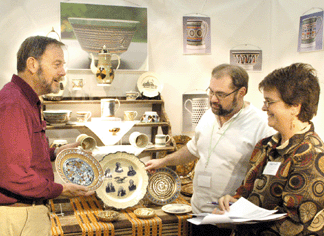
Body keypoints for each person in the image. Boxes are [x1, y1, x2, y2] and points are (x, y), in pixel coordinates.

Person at [145, 64, 274, 235]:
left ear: (241, 92)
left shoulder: (261, 125)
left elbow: (265, 179)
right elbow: (193, 150)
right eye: (211, 92)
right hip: (198, 213)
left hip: (228, 222)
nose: (213, 99)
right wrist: (163, 161)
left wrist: (241, 209)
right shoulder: (209, 115)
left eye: (220, 94)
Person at [214, 63, 324, 235]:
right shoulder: (265, 146)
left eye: (269, 102)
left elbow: (297, 224)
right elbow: (246, 192)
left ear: (295, 106)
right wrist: (232, 203)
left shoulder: (311, 155)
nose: (264, 107)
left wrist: (235, 224)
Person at [0, 36, 93, 236]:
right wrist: (61, 189)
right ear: (32, 64)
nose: (63, 72)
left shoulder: (25, 99)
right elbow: (14, 174)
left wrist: (55, 152)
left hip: (26, 212)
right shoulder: (14, 103)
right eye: (57, 64)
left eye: (63, 65)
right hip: (19, 216)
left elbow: (22, 152)